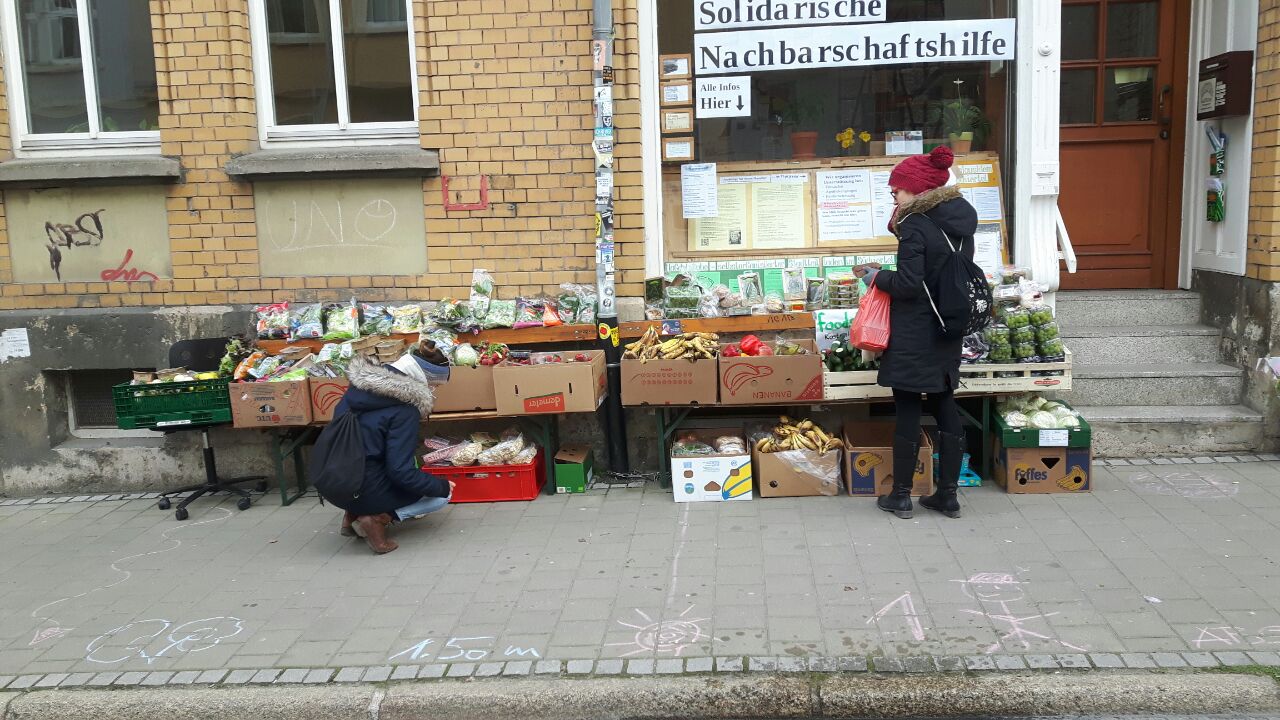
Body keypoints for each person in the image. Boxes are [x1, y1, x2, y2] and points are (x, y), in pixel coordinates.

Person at [854, 145, 977, 520]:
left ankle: (901, 495)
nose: (893, 194)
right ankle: (949, 496)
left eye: (896, 189)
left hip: (915, 329)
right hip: (948, 324)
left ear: (916, 189)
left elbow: (908, 283)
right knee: (944, 403)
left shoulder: (915, 223)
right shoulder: (959, 220)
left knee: (907, 407)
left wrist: (876, 276)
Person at [333, 341, 454, 554]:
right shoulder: (404, 411)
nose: (433, 391)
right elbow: (401, 472)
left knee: (372, 463)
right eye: (433, 386)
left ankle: (351, 514)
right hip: (364, 486)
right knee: (441, 497)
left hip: (334, 482)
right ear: (421, 379)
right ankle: (377, 518)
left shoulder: (357, 391)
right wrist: (441, 486)